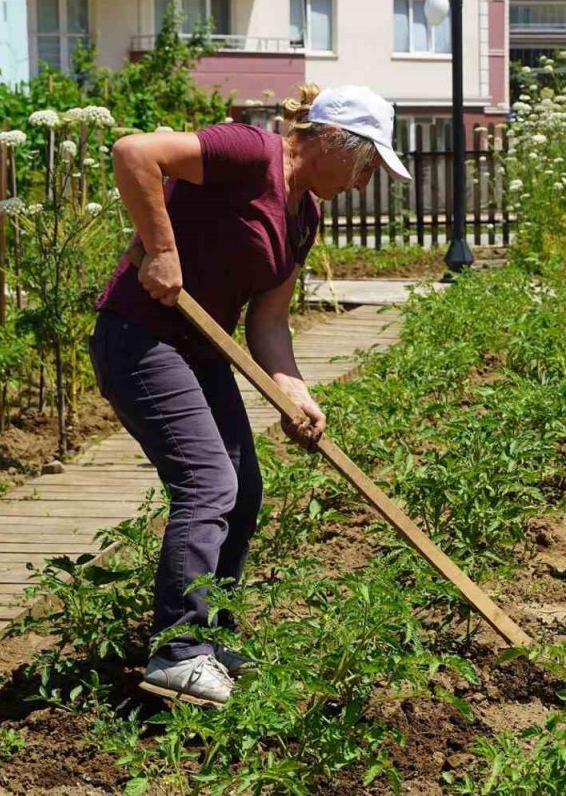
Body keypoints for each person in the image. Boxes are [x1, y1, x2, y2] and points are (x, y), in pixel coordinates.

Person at [90, 84, 412, 707]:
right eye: (367, 163)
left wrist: (295, 394)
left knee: (245, 483)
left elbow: (268, 322)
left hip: (200, 350)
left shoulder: (305, 215)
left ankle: (212, 632)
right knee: (210, 484)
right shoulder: (247, 152)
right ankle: (177, 652)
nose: (365, 181)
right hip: (141, 339)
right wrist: (161, 249)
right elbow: (133, 152)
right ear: (329, 140)